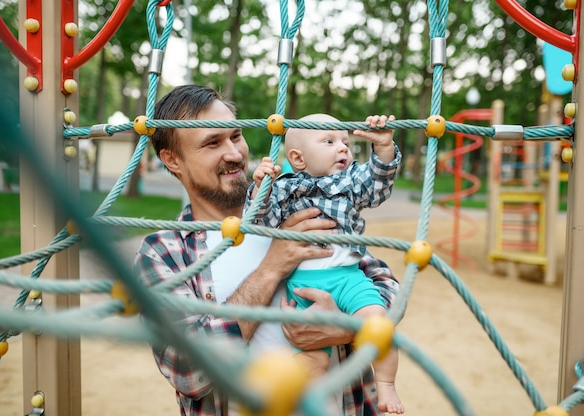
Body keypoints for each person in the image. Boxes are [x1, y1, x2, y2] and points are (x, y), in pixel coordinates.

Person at [133, 85, 400, 416]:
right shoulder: (165, 251)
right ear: (172, 160)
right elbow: (186, 369)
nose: (234, 153)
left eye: (235, 136)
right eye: (212, 143)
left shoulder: (295, 209)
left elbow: (385, 283)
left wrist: (345, 328)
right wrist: (271, 269)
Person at [246, 113, 404, 414]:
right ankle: (324, 407)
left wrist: (384, 149)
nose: (342, 148)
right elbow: (260, 219)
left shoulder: (350, 181)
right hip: (303, 288)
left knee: (379, 324)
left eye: (345, 142)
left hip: (348, 278)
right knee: (310, 362)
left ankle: (386, 385)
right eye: (329, 141)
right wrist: (260, 188)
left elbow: (378, 185)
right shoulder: (285, 187)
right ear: (298, 158)